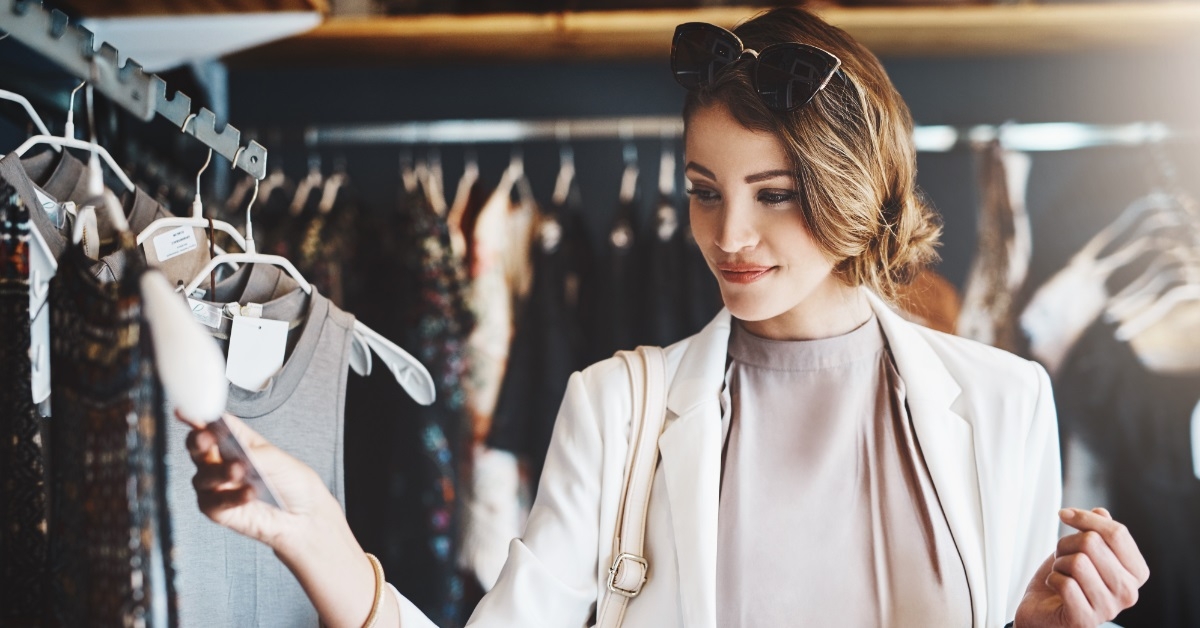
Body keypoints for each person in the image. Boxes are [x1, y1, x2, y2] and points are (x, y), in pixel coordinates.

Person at [182, 7, 1149, 627]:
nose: (729, 235)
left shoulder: (1004, 402)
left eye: (775, 194)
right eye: (703, 190)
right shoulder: (618, 409)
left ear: (856, 190)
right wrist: (316, 535)